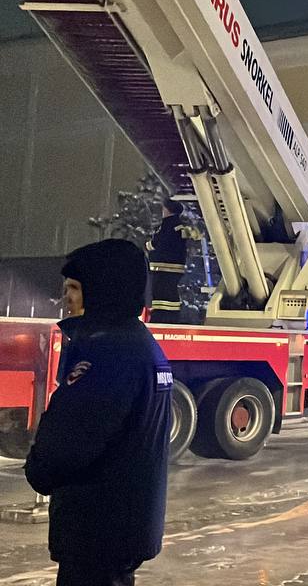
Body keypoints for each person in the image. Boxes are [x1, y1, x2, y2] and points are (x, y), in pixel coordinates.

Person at [24, 239, 173, 585]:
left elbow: (70, 441)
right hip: (122, 526)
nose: (67, 298)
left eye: (75, 288)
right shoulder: (138, 344)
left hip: (98, 526)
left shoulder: (108, 354)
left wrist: (39, 468)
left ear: (104, 290)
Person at [145, 199, 189, 324]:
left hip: (163, 266)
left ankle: (160, 316)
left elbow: (158, 241)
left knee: (160, 292)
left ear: (168, 209)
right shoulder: (179, 225)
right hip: (174, 266)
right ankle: (171, 315)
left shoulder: (168, 224)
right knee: (170, 292)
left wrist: (148, 245)